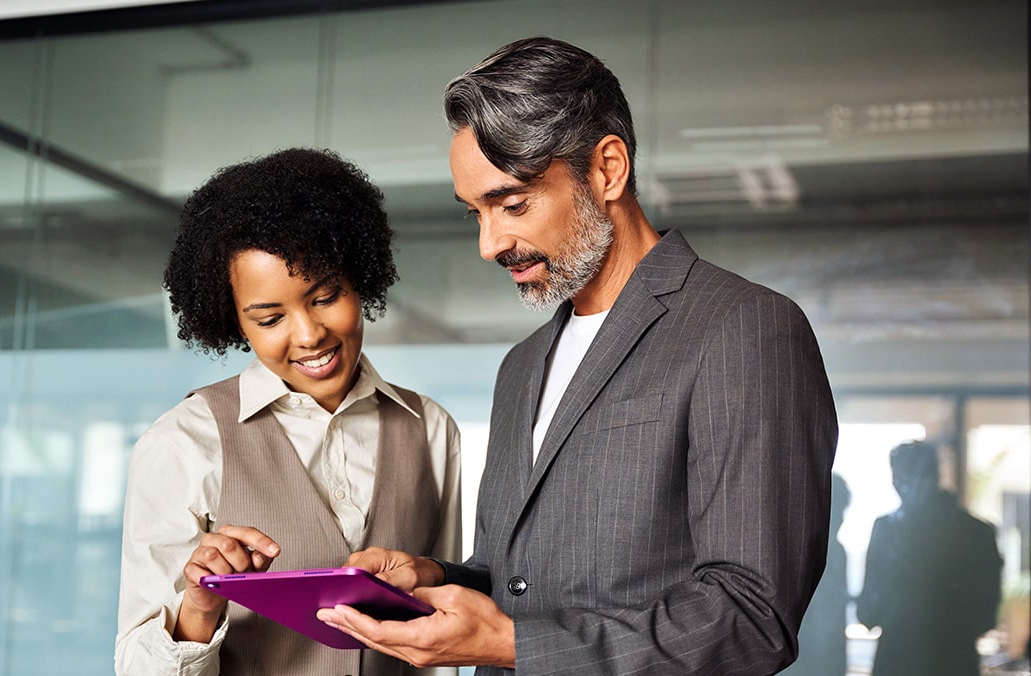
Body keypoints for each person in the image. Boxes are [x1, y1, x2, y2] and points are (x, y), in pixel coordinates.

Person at [317, 36, 838, 674]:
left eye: (512, 204)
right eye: (475, 213)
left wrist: (510, 645)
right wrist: (434, 577)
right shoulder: (521, 365)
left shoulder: (744, 328)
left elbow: (752, 616)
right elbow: (519, 582)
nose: (489, 244)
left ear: (607, 169)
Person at [114, 147, 462, 675]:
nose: (308, 335)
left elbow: (445, 639)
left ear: (358, 279)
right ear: (234, 321)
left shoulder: (430, 428)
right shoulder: (183, 443)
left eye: (325, 297)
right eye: (269, 319)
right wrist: (199, 607)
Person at [856, 440, 1003, 676]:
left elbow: (868, 608)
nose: (898, 484)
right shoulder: (976, 532)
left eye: (902, 476)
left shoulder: (888, 529)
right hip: (953, 657)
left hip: (902, 657)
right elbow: (986, 611)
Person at [781, 474, 850, 676]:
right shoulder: (804, 553)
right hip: (807, 651)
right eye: (840, 510)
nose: (842, 518)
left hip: (825, 651)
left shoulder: (837, 553)